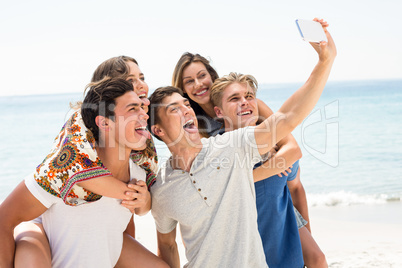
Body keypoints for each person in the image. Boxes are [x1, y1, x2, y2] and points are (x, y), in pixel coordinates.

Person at [147, 23, 336, 267]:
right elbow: (184, 220)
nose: (197, 85)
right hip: (241, 210)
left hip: (275, 203)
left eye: (201, 75)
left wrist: (324, 63)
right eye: (188, 82)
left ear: (212, 76)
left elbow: (288, 125)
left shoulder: (241, 129)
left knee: (314, 258)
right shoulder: (197, 145)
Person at [0, 78, 168, 268]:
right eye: (132, 109)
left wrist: (145, 202)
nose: (144, 115)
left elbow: (122, 232)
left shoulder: (138, 175)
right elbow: (4, 219)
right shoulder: (64, 173)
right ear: (104, 123)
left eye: (142, 108)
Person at [210, 72, 324, 267]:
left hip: (287, 257)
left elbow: (296, 189)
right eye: (234, 98)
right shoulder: (214, 155)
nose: (244, 102)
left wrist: (307, 239)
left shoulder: (279, 150)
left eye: (249, 96)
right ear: (218, 112)